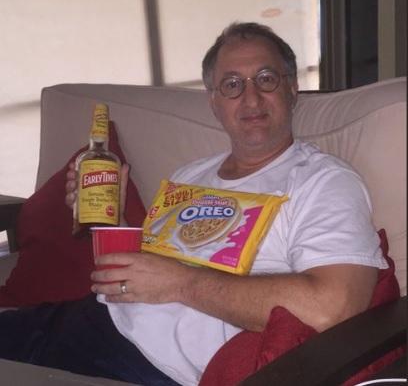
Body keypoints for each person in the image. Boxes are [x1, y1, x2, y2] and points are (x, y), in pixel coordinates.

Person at [0, 22, 387, 386]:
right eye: (232, 85)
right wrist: (110, 216)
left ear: (292, 89)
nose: (251, 98)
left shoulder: (324, 181)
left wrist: (182, 283)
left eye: (266, 79)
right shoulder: (191, 174)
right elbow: (148, 269)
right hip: (86, 318)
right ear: (215, 103)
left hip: (143, 367)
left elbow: (332, 307)